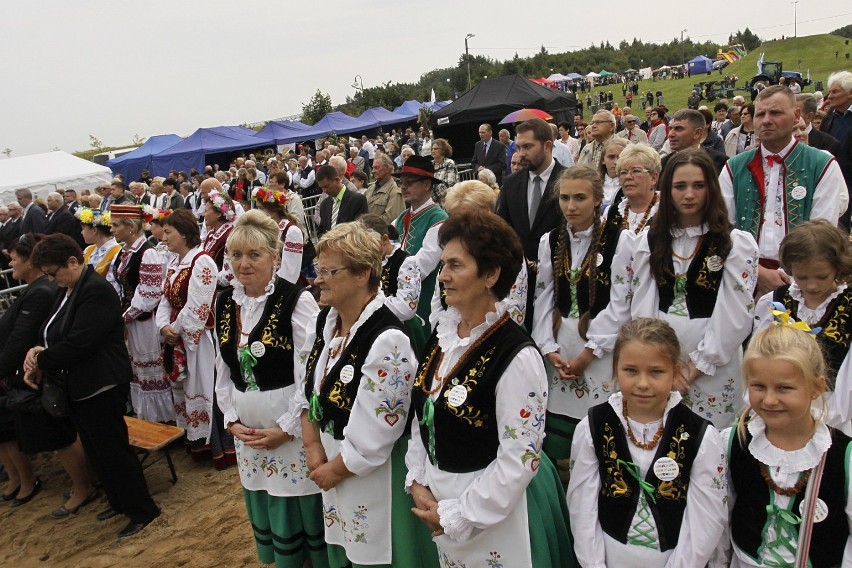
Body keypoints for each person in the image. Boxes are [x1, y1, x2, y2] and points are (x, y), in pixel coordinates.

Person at [407, 209, 573, 567]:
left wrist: (458, 514)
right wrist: (419, 480)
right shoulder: (445, 337)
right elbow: (424, 414)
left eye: (455, 265)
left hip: (495, 512)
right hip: (442, 500)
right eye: (442, 265)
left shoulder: (516, 355)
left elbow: (519, 458)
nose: (443, 276)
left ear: (491, 274)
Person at [297, 221, 432, 568]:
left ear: (361, 275)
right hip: (335, 464)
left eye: (329, 271)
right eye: (318, 269)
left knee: (377, 554)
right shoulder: (329, 322)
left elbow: (378, 430)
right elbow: (310, 390)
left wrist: (334, 470)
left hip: (371, 475)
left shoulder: (388, 339)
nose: (318, 279)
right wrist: (313, 446)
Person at [24, 234, 160, 538]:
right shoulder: (70, 288)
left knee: (113, 450)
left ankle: (142, 509)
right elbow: (53, 330)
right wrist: (37, 351)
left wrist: (42, 360)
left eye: (53, 272)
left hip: (102, 382)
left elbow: (82, 341)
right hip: (82, 384)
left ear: (73, 262)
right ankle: (118, 500)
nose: (51, 279)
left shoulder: (96, 290)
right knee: (97, 451)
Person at [214, 211, 327, 568]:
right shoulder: (225, 303)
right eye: (236, 256)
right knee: (266, 500)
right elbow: (223, 368)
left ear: (274, 258)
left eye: (254, 255)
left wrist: (286, 429)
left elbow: (311, 374)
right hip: (248, 437)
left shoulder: (297, 301)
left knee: (298, 506)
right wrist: (231, 420)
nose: (243, 264)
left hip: (290, 434)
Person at [568, 318, 726, 566]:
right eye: (630, 370)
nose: (642, 383)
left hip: (675, 559)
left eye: (656, 372)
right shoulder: (594, 426)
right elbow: (581, 507)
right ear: (616, 368)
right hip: (609, 556)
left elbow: (706, 519)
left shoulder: (701, 436)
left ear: (675, 372)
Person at [629, 149, 759, 428]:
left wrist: (695, 368)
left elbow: (735, 315)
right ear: (667, 189)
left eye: (698, 186)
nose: (689, 195)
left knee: (708, 436)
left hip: (714, 360)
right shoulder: (651, 240)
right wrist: (657, 360)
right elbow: (642, 305)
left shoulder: (734, 243)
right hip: (660, 356)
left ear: (711, 188)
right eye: (680, 186)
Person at [717, 323, 852, 567]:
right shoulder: (732, 443)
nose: (769, 399)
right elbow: (719, 519)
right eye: (758, 386)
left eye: (784, 388)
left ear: (816, 388)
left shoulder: (845, 457)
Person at [532, 166, 624, 485]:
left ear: (598, 200)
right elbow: (544, 295)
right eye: (565, 198)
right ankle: (564, 494)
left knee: (599, 435)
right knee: (559, 443)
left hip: (600, 347)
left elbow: (621, 301)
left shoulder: (620, 239)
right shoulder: (552, 240)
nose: (571, 206)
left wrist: (591, 350)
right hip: (561, 345)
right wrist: (547, 347)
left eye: (580, 198)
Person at [0, 234, 97, 517]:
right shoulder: (38, 288)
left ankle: (83, 486)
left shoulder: (42, 291)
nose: (10, 261)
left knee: (61, 434)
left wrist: (31, 360)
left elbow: (21, 337)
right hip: (36, 366)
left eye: (15, 256)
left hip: (40, 371)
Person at [720, 85, 846, 297]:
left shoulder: (822, 164)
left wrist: (787, 276)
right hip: (741, 275)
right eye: (760, 114)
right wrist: (756, 271)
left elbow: (822, 230)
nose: (766, 120)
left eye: (775, 112)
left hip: (803, 277)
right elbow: (722, 227)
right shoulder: (734, 167)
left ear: (796, 115)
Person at [753, 220, 852, 390]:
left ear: (838, 267)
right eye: (802, 277)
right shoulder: (776, 301)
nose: (812, 285)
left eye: (821, 277)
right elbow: (760, 354)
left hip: (834, 405)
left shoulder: (848, 304)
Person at [156, 209, 220, 465]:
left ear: (184, 232)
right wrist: (163, 327)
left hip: (198, 338)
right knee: (184, 388)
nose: (164, 237)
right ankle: (194, 440)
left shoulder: (202, 261)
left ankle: (212, 444)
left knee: (202, 386)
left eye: (168, 232)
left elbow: (198, 304)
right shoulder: (174, 263)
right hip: (177, 335)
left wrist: (177, 330)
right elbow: (165, 299)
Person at [497, 118, 567, 326]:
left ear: (547, 145)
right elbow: (503, 229)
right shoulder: (511, 183)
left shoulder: (568, 181)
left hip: (559, 283)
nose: (521, 153)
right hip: (518, 287)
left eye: (528, 146)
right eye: (519, 147)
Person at [108, 205, 173, 423]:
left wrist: (123, 317)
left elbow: (150, 294)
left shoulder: (148, 253)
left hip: (145, 322)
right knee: (137, 368)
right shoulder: (125, 252)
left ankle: (161, 419)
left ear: (130, 227)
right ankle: (147, 416)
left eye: (116, 225)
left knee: (150, 369)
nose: (112, 229)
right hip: (132, 319)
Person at [393, 156, 449, 353]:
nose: (403, 187)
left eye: (410, 182)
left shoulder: (438, 218)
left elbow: (423, 265)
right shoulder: (402, 217)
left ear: (427, 184)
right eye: (401, 182)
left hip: (424, 298)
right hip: (400, 296)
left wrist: (391, 271)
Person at [358, 214, 420, 323]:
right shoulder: (365, 261)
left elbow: (406, 309)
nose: (362, 250)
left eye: (367, 245)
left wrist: (365, 302)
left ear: (385, 239)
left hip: (396, 327)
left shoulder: (406, 262)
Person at [604, 143, 661, 236]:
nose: (628, 177)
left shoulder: (665, 210)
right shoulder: (613, 211)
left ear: (653, 178)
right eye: (623, 172)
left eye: (636, 171)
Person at [316, 165, 368, 238]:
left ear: (337, 180)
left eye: (326, 186)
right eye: (322, 188)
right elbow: (321, 232)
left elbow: (360, 231)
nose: (324, 191)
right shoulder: (324, 204)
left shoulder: (358, 200)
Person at [75, 207, 122, 277]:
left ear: (94, 230)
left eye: (83, 228)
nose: (81, 232)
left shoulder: (117, 253)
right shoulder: (89, 249)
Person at [364, 153, 405, 224]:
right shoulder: (370, 188)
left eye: (376, 168)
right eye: (373, 167)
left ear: (387, 169)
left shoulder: (395, 192)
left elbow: (390, 219)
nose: (373, 171)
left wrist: (365, 223)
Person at [599, 137, 629, 207]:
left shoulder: (630, 184)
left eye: (620, 157)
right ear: (603, 160)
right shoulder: (594, 183)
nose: (615, 162)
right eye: (611, 157)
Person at [430, 138, 457, 206]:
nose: (433, 151)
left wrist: (432, 198)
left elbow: (448, 184)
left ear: (443, 150)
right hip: (432, 204)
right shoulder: (429, 164)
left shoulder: (449, 163)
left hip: (447, 203)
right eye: (432, 149)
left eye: (436, 149)